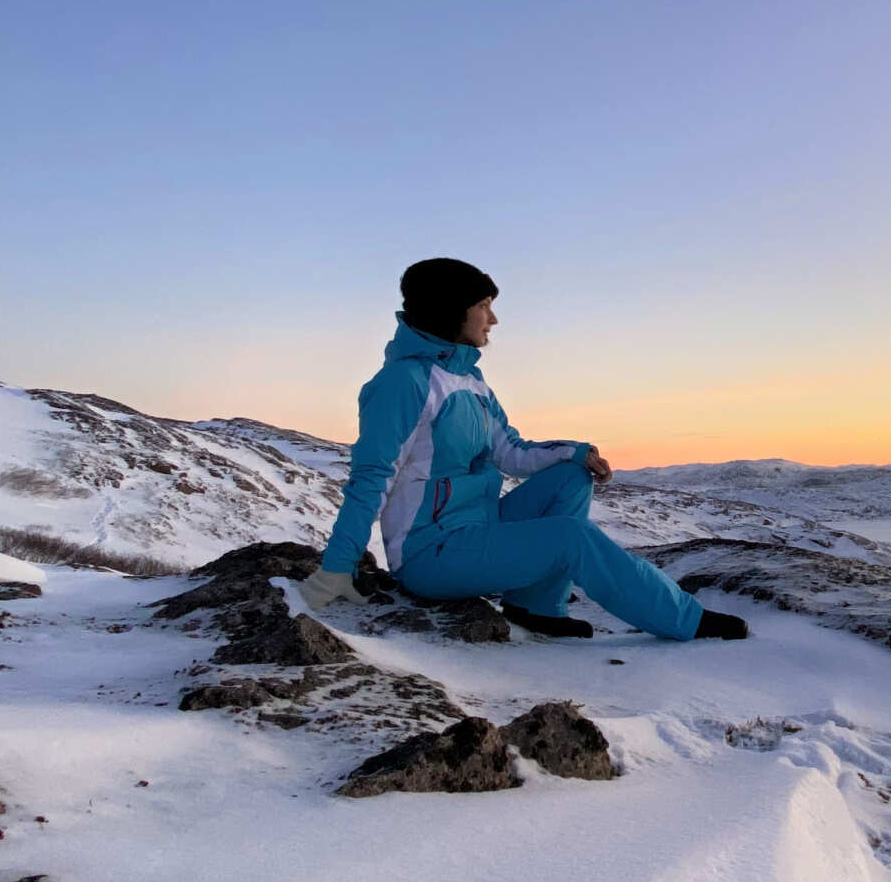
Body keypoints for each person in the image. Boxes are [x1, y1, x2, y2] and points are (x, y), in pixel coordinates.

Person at [298, 258, 749, 641]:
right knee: (570, 536)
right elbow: (371, 478)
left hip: (480, 528)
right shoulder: (403, 383)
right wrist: (338, 566)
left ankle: (536, 607)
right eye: (484, 306)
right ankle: (683, 618)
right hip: (431, 555)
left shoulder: (471, 381)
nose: (492, 320)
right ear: (450, 309)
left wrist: (575, 453)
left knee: (570, 479)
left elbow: (511, 452)